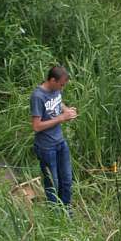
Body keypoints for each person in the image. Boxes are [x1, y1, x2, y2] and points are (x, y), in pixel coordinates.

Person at [30, 65, 77, 209]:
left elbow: (58, 101)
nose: (62, 88)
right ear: (52, 80)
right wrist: (62, 118)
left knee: (67, 179)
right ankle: (55, 214)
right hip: (46, 147)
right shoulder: (38, 96)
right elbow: (36, 126)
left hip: (60, 142)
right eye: (61, 85)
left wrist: (66, 110)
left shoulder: (56, 91)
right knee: (52, 183)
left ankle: (66, 210)